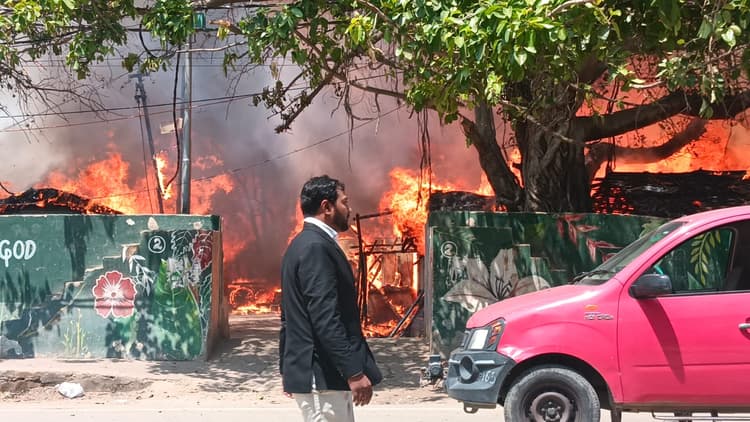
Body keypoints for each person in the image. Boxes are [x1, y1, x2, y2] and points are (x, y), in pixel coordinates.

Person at [280, 175, 383, 422]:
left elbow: (288, 317)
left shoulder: (304, 243)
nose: (349, 209)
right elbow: (325, 317)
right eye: (344, 202)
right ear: (327, 207)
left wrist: (288, 371)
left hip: (323, 376)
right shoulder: (315, 247)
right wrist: (353, 372)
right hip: (323, 375)